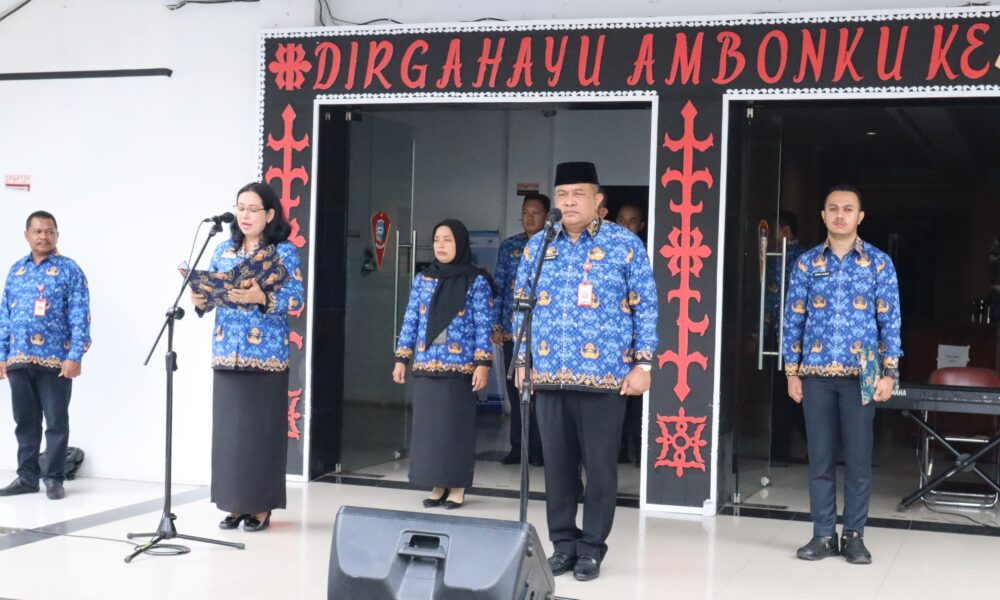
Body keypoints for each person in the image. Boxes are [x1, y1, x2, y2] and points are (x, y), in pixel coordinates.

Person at [513, 162, 658, 582]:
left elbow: (646, 305)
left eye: (579, 194)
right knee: (557, 468)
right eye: (562, 194)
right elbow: (521, 305)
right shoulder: (538, 246)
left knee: (600, 470)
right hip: (549, 376)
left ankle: (592, 547)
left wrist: (643, 364)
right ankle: (563, 544)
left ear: (598, 201)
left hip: (605, 378)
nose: (569, 201)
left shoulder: (624, 244)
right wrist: (522, 361)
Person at [783, 184, 902, 565]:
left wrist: (890, 373)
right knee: (819, 458)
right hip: (815, 373)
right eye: (833, 208)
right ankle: (823, 534)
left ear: (860, 216)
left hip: (862, 376)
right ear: (823, 215)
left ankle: (853, 535)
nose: (840, 215)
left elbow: (890, 321)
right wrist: (791, 371)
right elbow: (793, 319)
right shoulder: (806, 263)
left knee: (858, 460)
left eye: (848, 209)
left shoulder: (879, 263)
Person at [191, 182, 304, 532]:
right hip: (227, 354)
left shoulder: (283, 252)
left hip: (266, 357)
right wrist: (200, 300)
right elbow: (213, 296)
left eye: (253, 209)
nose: (244, 215)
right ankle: (235, 503)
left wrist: (262, 298)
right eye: (240, 208)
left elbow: (296, 299)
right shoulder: (223, 251)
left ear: (269, 214)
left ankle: (260, 507)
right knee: (229, 436)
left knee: (260, 435)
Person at [393, 219, 496, 510]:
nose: (440, 245)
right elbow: (411, 320)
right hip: (426, 366)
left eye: (448, 240)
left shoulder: (476, 280)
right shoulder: (424, 279)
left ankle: (457, 486)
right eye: (437, 239)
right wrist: (401, 358)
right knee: (430, 431)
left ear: (460, 243)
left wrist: (482, 363)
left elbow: (483, 324)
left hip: (459, 369)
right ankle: (437, 484)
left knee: (455, 430)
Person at [0, 211, 91, 500]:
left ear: (57, 235)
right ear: (27, 235)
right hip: (18, 359)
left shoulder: (69, 269)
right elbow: (5, 315)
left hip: (56, 360)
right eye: (38, 231)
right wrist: (2, 354)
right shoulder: (16, 270)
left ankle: (53, 478)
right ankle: (27, 477)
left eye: (49, 231)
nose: (44, 236)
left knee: (56, 421)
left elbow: (80, 315)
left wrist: (75, 355)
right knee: (25, 423)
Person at [493, 193, 549, 467]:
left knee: (540, 392)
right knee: (515, 391)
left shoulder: (554, 244)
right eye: (526, 212)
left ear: (547, 216)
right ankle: (517, 446)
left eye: (535, 213)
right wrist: (496, 323)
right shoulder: (510, 246)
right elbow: (499, 287)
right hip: (511, 331)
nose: (529, 217)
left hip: (543, 333)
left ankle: (540, 448)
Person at [766, 210, 807, 465]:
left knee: (784, 396)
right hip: (801, 338)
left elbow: (772, 301)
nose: (769, 236)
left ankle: (780, 451)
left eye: (773, 230)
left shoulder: (782, 259)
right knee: (789, 395)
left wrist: (759, 333)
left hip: (784, 337)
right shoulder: (806, 257)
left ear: (785, 231)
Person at [612, 202, 649, 466]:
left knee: (638, 404)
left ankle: (639, 453)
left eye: (632, 221)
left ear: (642, 225)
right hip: (614, 344)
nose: (626, 226)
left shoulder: (644, 251)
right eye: (621, 220)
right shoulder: (605, 250)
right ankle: (621, 451)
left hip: (640, 342)